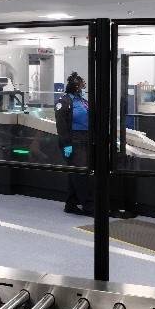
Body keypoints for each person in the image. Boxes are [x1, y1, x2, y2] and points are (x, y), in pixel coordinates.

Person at [55, 72, 93, 215]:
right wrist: (67, 144)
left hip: (86, 138)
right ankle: (89, 206)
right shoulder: (64, 101)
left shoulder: (82, 101)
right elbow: (61, 125)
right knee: (81, 173)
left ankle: (70, 204)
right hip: (73, 140)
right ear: (76, 86)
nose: (84, 87)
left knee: (75, 173)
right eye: (82, 85)